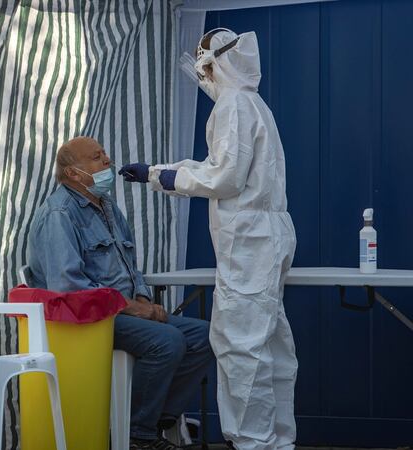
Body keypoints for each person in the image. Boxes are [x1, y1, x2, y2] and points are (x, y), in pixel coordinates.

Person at [120, 29, 298, 450]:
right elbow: (221, 165)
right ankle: (277, 442)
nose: (203, 76)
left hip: (250, 242)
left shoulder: (234, 105)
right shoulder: (255, 105)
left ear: (218, 64)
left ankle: (253, 443)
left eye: (205, 67)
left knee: (241, 347)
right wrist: (156, 173)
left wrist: (164, 176)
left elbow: (224, 177)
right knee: (270, 345)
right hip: (267, 236)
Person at [27, 136, 215, 450]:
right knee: (167, 341)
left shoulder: (107, 207)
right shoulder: (60, 215)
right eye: (97, 157)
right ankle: (139, 438)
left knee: (206, 336)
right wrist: (132, 308)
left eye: (106, 155)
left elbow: (130, 266)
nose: (108, 162)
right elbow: (69, 288)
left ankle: (156, 420)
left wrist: (142, 298)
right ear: (74, 174)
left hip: (122, 312)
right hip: (87, 321)